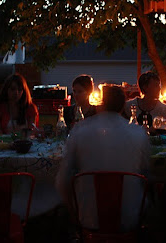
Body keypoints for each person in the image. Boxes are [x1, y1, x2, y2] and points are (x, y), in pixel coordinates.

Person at [56, 86, 150, 231]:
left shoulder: (81, 130)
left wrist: (73, 211)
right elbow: (147, 177)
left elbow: (62, 181)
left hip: (88, 218)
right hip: (130, 218)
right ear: (123, 106)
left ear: (101, 104)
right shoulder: (138, 134)